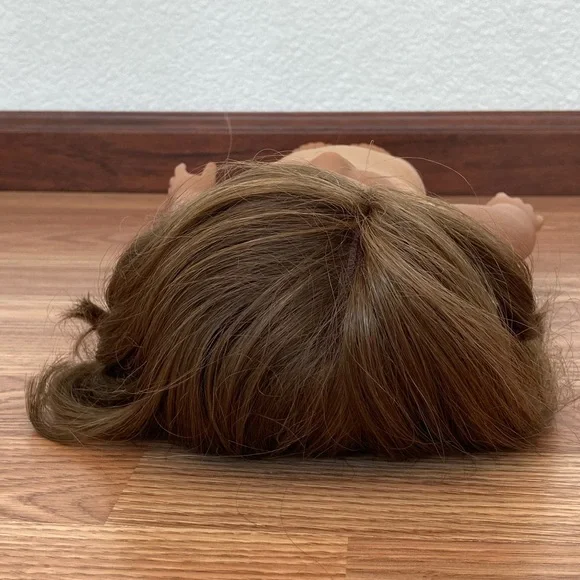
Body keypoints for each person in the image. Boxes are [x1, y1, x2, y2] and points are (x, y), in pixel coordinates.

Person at [27, 144, 556, 458]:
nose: (331, 158)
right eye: (370, 183)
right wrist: (513, 218)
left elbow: (158, 255)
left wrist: (185, 196)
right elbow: (507, 231)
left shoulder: (191, 255)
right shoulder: (451, 245)